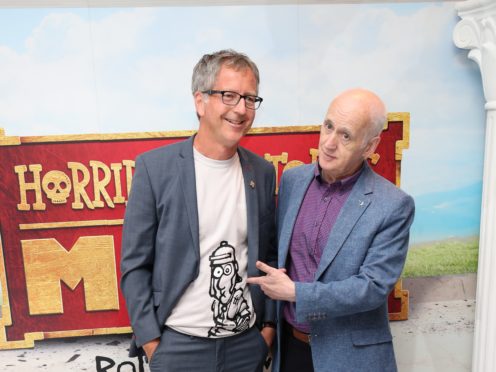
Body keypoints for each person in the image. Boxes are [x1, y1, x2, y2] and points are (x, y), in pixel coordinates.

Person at [120, 49, 277, 372]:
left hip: (246, 346)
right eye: (229, 95)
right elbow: (135, 265)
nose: (241, 109)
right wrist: (153, 345)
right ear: (200, 101)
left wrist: (268, 332)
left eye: (250, 99)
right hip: (178, 349)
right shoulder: (155, 169)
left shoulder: (261, 172)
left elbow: (269, 257)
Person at [247, 88, 415, 372]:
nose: (329, 143)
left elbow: (372, 287)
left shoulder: (393, 205)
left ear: (370, 146)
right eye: (328, 127)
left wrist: (297, 293)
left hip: (351, 359)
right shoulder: (292, 181)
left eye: (345, 135)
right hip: (290, 351)